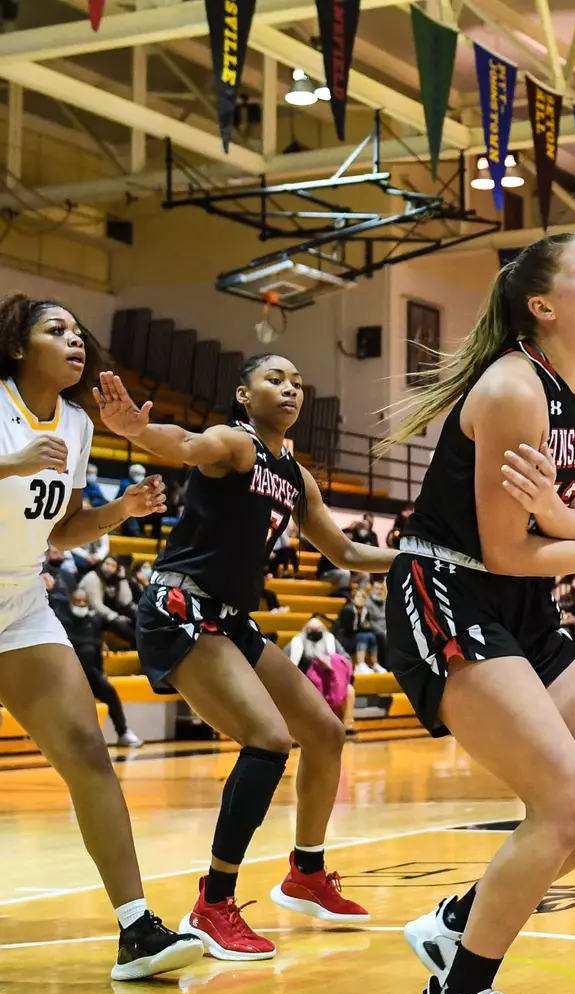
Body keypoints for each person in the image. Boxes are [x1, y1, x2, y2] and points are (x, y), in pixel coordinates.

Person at [376, 232, 575, 994]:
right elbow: (511, 548)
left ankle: (457, 923)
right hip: (447, 589)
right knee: (566, 797)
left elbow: (568, 520)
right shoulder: (512, 389)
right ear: (543, 307)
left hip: (521, 601)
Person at [95, 356, 398, 962]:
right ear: (243, 393)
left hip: (229, 620)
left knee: (325, 732)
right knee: (268, 739)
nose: (290, 388)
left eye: (298, 382)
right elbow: (183, 442)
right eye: (275, 379)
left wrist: (422, 558)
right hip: (181, 608)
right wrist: (134, 430)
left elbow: (343, 551)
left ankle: (305, 874)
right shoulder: (236, 444)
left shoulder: (296, 477)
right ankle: (213, 903)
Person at [0, 293, 201, 980]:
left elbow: (61, 531)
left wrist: (118, 511)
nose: (75, 340)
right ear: (20, 346)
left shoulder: (80, 425)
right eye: (56, 330)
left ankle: (136, 928)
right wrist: (11, 464)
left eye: (79, 332)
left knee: (87, 749)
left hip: (22, 601)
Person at [58, 586, 142, 748]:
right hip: (69, 676)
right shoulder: (63, 621)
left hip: (92, 673)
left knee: (110, 694)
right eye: (77, 601)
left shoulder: (94, 620)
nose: (81, 604)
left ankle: (123, 733)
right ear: (70, 603)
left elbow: (108, 628)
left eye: (84, 602)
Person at [287, 615, 355, 735]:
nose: (316, 632)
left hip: (329, 680)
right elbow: (284, 663)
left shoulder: (330, 640)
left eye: (319, 629)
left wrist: (333, 663)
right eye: (312, 629)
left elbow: (346, 659)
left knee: (349, 690)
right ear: (306, 630)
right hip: (305, 681)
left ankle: (347, 725)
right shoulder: (296, 642)